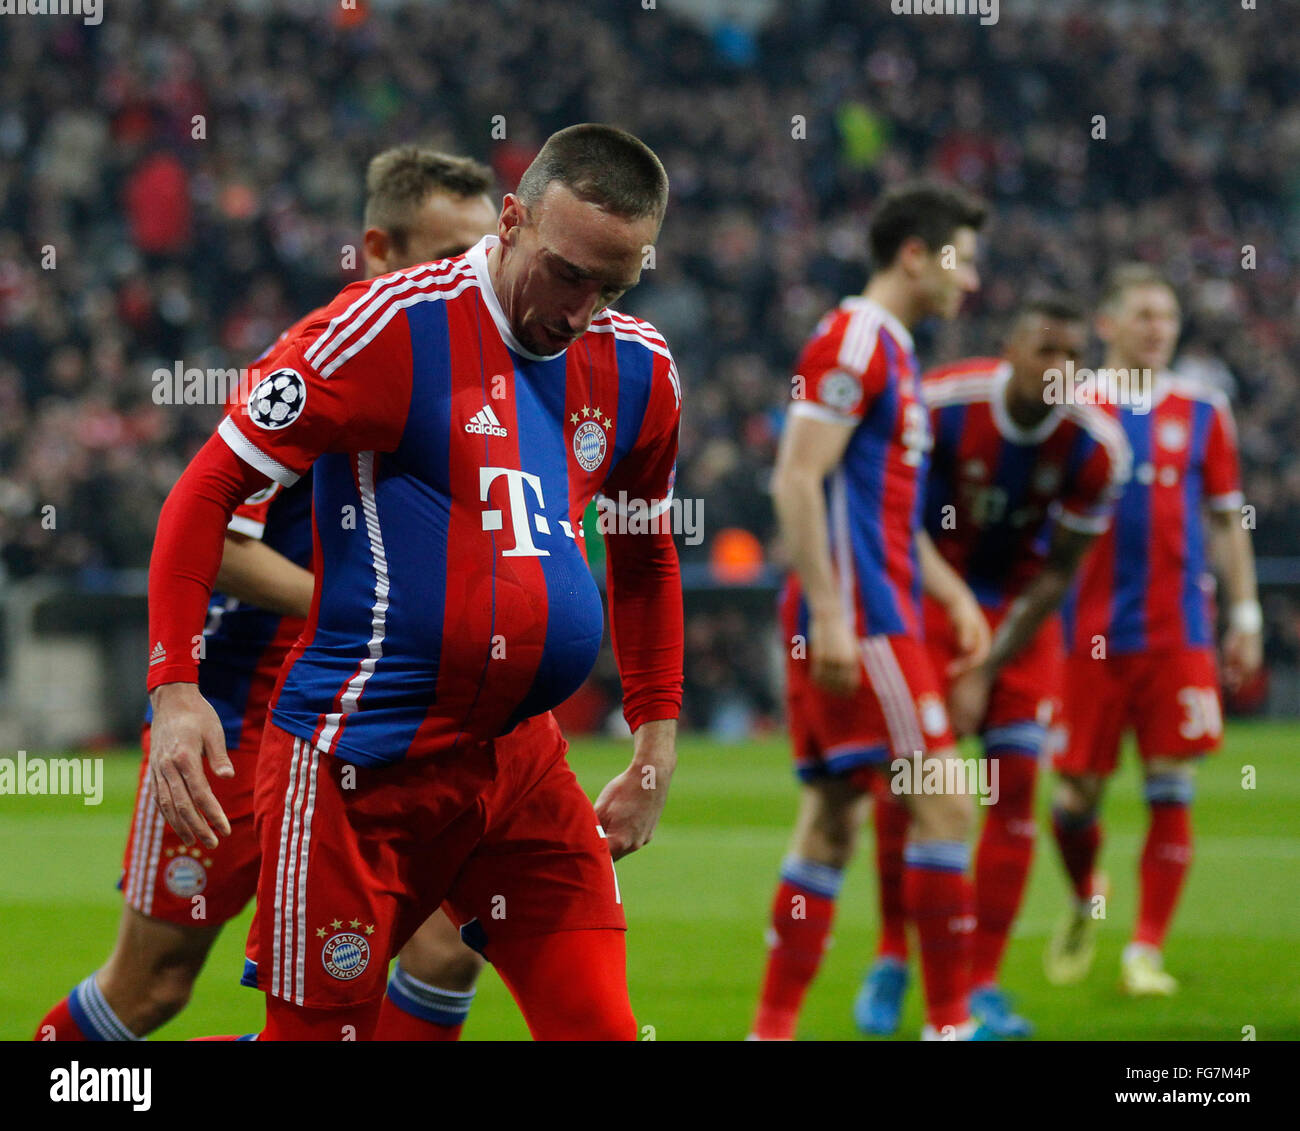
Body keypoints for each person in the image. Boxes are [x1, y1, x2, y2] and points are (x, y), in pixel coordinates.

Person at [145, 123, 683, 1041]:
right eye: (566, 272)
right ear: (510, 220)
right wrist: (175, 688)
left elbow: (643, 553)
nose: (582, 307)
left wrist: (656, 737)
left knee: (600, 1026)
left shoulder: (638, 366)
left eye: (614, 284)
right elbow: (207, 487)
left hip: (521, 763)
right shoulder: (387, 326)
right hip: (363, 761)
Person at [35, 146, 506, 1043]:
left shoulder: (474, 379)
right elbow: (217, 541)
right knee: (154, 986)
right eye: (447, 257)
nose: (469, 280)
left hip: (375, 719)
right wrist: (377, 605)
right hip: (240, 723)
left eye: (482, 256)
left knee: (450, 946)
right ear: (376, 249)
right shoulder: (314, 365)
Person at [750, 181, 994, 1041]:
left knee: (830, 821)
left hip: (874, 604)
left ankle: (771, 1030)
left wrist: (955, 593)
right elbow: (795, 476)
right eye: (963, 261)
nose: (972, 283)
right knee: (948, 801)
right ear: (915, 255)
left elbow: (882, 514)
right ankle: (950, 1024)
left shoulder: (892, 351)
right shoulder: (855, 339)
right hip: (860, 616)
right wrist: (832, 612)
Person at [855, 296, 1131, 1037]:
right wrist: (945, 627)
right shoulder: (943, 404)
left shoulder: (1097, 448)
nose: (1060, 369)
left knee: (1014, 792)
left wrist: (988, 664)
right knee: (911, 781)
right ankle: (892, 955)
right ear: (1010, 351)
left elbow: (1057, 575)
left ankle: (981, 983)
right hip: (927, 602)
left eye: (1074, 356)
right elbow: (891, 518)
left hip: (1021, 622)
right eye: (1046, 350)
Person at [1045, 264, 1261, 995]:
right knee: (1074, 798)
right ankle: (1084, 897)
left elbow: (1229, 517)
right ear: (1106, 325)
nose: (1159, 328)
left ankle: (1145, 949)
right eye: (1143, 314)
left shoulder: (1205, 409)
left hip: (1178, 631)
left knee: (1172, 784)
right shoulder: (1072, 408)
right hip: (1085, 634)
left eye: (1167, 315)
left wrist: (1246, 610)